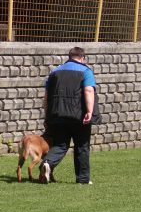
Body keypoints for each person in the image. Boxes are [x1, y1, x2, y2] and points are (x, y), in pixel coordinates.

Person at [40, 46, 100, 184]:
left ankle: (48, 162)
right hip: (78, 115)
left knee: (60, 145)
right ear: (83, 58)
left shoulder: (55, 72)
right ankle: (83, 179)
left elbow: (47, 97)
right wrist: (90, 112)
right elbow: (88, 91)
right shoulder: (86, 71)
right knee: (82, 146)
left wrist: (46, 116)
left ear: (69, 57)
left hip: (57, 114)